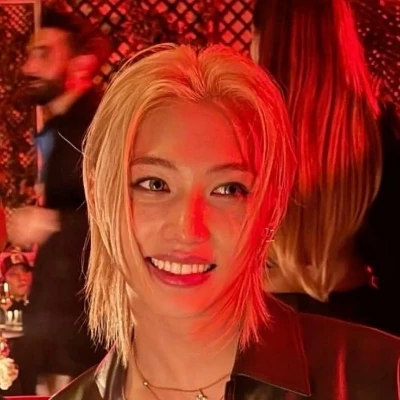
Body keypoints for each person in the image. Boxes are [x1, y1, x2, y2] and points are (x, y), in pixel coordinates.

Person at [50, 44, 400, 400]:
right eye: (154, 184)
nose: (189, 228)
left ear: (272, 205)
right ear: (97, 193)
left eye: (228, 189)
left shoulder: (383, 376)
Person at [251, 0, 400, 333]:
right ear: (342, 39)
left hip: (258, 320)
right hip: (356, 324)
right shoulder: (374, 132)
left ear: (261, 37)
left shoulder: (238, 126)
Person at [7, 8, 110, 395]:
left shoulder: (98, 128)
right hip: (56, 334)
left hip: (83, 336)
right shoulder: (60, 126)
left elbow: (122, 216)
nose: (29, 66)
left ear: (81, 62)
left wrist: (50, 222)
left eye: (44, 54)